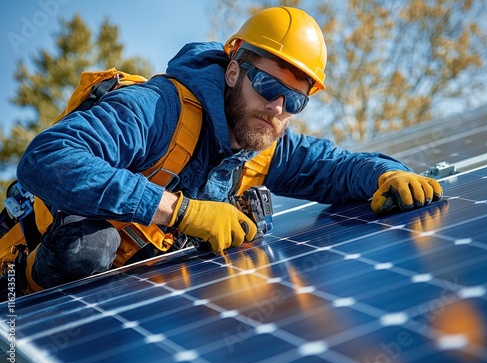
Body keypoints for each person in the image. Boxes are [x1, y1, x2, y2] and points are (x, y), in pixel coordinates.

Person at [15, 6, 442, 293]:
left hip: (133, 304)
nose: (277, 108)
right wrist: (178, 211)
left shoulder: (261, 144)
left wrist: (387, 172)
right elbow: (46, 158)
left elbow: (337, 167)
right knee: (89, 246)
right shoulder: (159, 109)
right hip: (24, 288)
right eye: (269, 86)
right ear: (234, 70)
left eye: (293, 101)